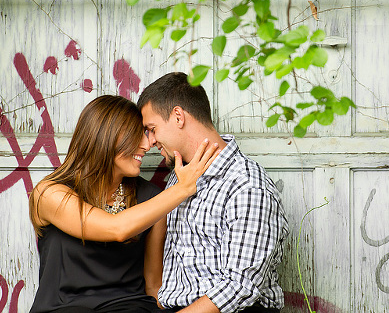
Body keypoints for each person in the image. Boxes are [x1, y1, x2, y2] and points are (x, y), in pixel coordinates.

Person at [28, 94, 219, 313]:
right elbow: (116, 228)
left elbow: (153, 285)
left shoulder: (151, 197)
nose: (147, 144)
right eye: (137, 135)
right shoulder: (50, 194)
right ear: (105, 137)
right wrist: (183, 188)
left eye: (148, 134)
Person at [138, 72, 289, 313]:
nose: (150, 141)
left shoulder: (246, 185)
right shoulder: (179, 176)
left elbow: (238, 287)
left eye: (152, 128)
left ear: (178, 116)